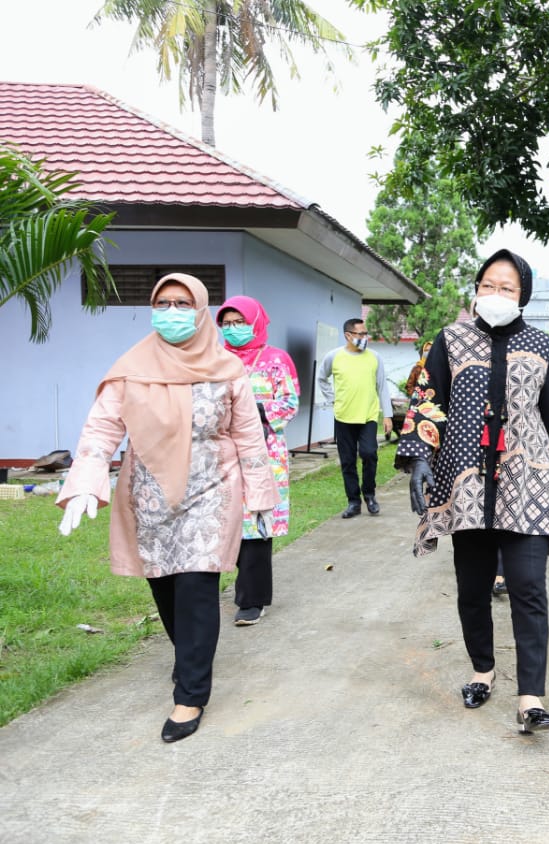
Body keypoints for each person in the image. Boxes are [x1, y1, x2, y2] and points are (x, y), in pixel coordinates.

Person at [56, 273, 278, 743]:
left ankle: (191, 693)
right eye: (164, 303)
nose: (172, 312)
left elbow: (248, 436)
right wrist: (84, 481)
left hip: (212, 488)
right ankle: (191, 657)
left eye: (182, 303)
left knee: (197, 584)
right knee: (164, 586)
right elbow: (101, 429)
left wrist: (260, 496)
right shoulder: (132, 367)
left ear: (199, 311)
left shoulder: (227, 369)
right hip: (151, 493)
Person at [396, 249, 549, 735]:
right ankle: (483, 669)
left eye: (508, 288)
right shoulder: (450, 341)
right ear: (475, 290)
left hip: (529, 480)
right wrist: (419, 458)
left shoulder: (542, 345)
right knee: (473, 588)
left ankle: (531, 697)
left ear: (523, 296)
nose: (496, 295)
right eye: (488, 285)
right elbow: (429, 398)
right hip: (468, 483)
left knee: (528, 587)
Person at [216, 296, 299, 627]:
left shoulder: (277, 360)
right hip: (221, 454)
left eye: (241, 322)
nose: (234, 329)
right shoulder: (214, 360)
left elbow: (289, 402)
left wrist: (253, 412)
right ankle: (244, 587)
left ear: (256, 322)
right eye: (227, 323)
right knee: (228, 521)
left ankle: (252, 598)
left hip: (265, 454)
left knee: (257, 523)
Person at [318, 317, 393, 518]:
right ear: (348, 335)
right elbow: (321, 378)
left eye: (365, 333)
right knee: (348, 461)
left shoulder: (374, 357)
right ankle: (353, 502)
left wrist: (388, 415)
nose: (364, 337)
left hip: (368, 416)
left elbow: (382, 387)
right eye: (360, 334)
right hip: (343, 417)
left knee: (369, 454)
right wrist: (333, 399)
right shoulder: (333, 357)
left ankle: (369, 495)